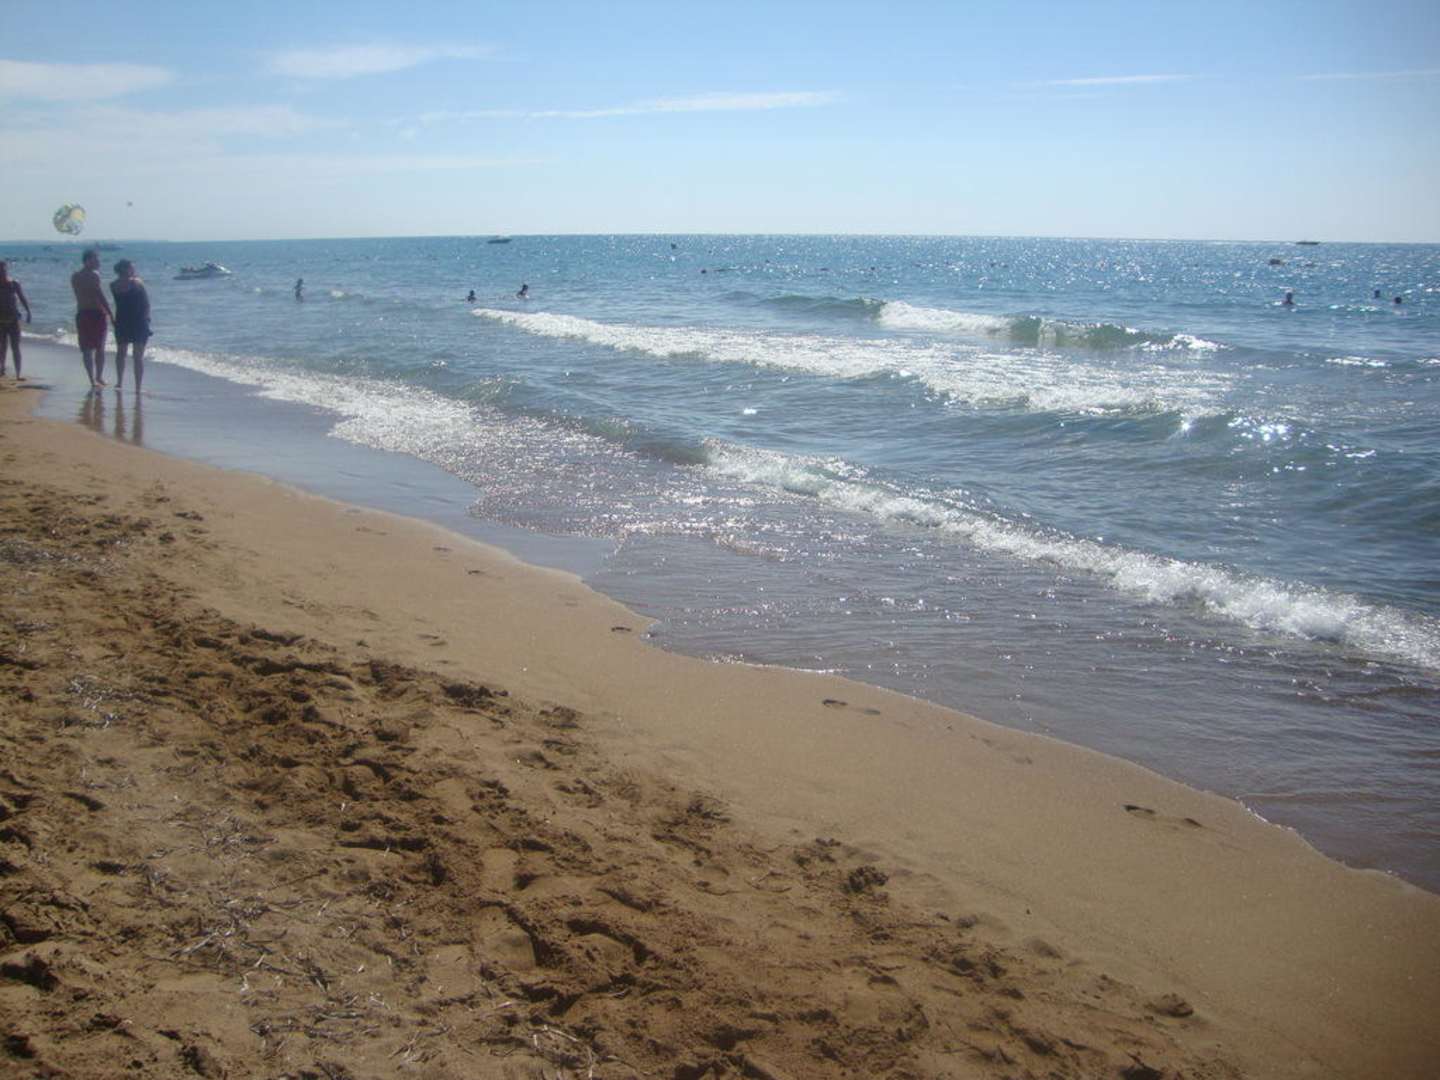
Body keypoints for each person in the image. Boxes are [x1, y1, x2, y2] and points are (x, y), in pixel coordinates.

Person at [71, 249, 113, 387]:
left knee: (87, 349)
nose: (98, 262)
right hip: (96, 313)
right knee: (99, 347)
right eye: (95, 259)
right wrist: (110, 313)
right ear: (87, 260)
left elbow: (81, 293)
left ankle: (92, 379)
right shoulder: (94, 275)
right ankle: (98, 377)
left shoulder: (75, 276)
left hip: (83, 312)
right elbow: (99, 295)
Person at [110, 259, 151, 394]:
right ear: (125, 269)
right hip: (137, 321)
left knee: (122, 353)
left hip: (124, 321)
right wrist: (147, 319)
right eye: (131, 268)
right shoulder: (137, 283)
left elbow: (146, 304)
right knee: (136, 356)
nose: (133, 270)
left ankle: (120, 383)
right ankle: (136, 387)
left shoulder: (113, 285)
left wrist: (146, 319)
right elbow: (146, 303)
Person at [0, 261, 33, 379]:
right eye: (0, 271)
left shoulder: (14, 284)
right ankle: (2, 369)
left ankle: (18, 373)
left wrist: (28, 312)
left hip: (14, 320)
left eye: (3, 270)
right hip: (0, 321)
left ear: (6, 270)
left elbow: (22, 298)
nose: (2, 273)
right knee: (2, 347)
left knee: (15, 347)